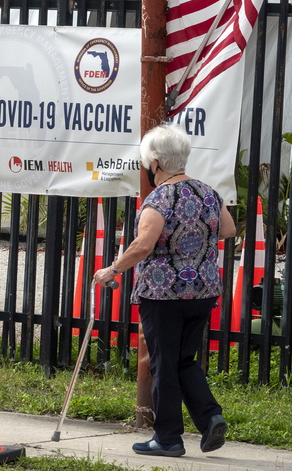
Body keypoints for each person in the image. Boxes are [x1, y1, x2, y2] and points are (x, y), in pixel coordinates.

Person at [93, 123, 236, 458]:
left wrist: (113, 270)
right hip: (202, 291)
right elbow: (228, 229)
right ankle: (210, 416)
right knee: (184, 359)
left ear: (155, 163)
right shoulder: (207, 192)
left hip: (163, 294)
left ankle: (168, 438)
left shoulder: (159, 198)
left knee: (163, 365)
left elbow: (144, 245)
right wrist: (193, 240)